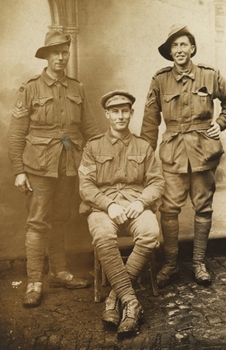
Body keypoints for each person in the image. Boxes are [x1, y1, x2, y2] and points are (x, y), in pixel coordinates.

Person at [8, 31, 101, 307]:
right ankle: (34, 280)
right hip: (37, 167)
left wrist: (102, 158)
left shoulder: (77, 88)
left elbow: (91, 129)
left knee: (61, 217)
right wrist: (19, 170)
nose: (60, 57)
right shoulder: (30, 89)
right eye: (55, 53)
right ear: (46, 56)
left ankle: (59, 272)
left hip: (69, 164)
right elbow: (15, 135)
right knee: (37, 221)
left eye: (64, 52)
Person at [140, 24, 226, 288]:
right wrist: (144, 160)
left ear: (192, 48)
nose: (179, 50)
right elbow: (149, 123)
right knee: (168, 209)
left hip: (203, 151)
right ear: (170, 52)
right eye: (174, 46)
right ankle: (171, 263)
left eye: (183, 44)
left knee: (204, 207)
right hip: (173, 154)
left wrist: (221, 122)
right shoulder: (160, 79)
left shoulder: (210, 75)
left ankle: (199, 263)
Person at [78, 90, 164, 335]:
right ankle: (132, 301)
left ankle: (115, 297)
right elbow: (85, 186)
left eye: (125, 111)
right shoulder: (92, 147)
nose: (120, 116)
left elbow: (157, 182)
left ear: (131, 113)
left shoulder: (143, 146)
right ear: (107, 114)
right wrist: (109, 205)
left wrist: (141, 202)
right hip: (103, 208)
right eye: (115, 111)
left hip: (135, 204)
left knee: (150, 233)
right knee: (103, 236)